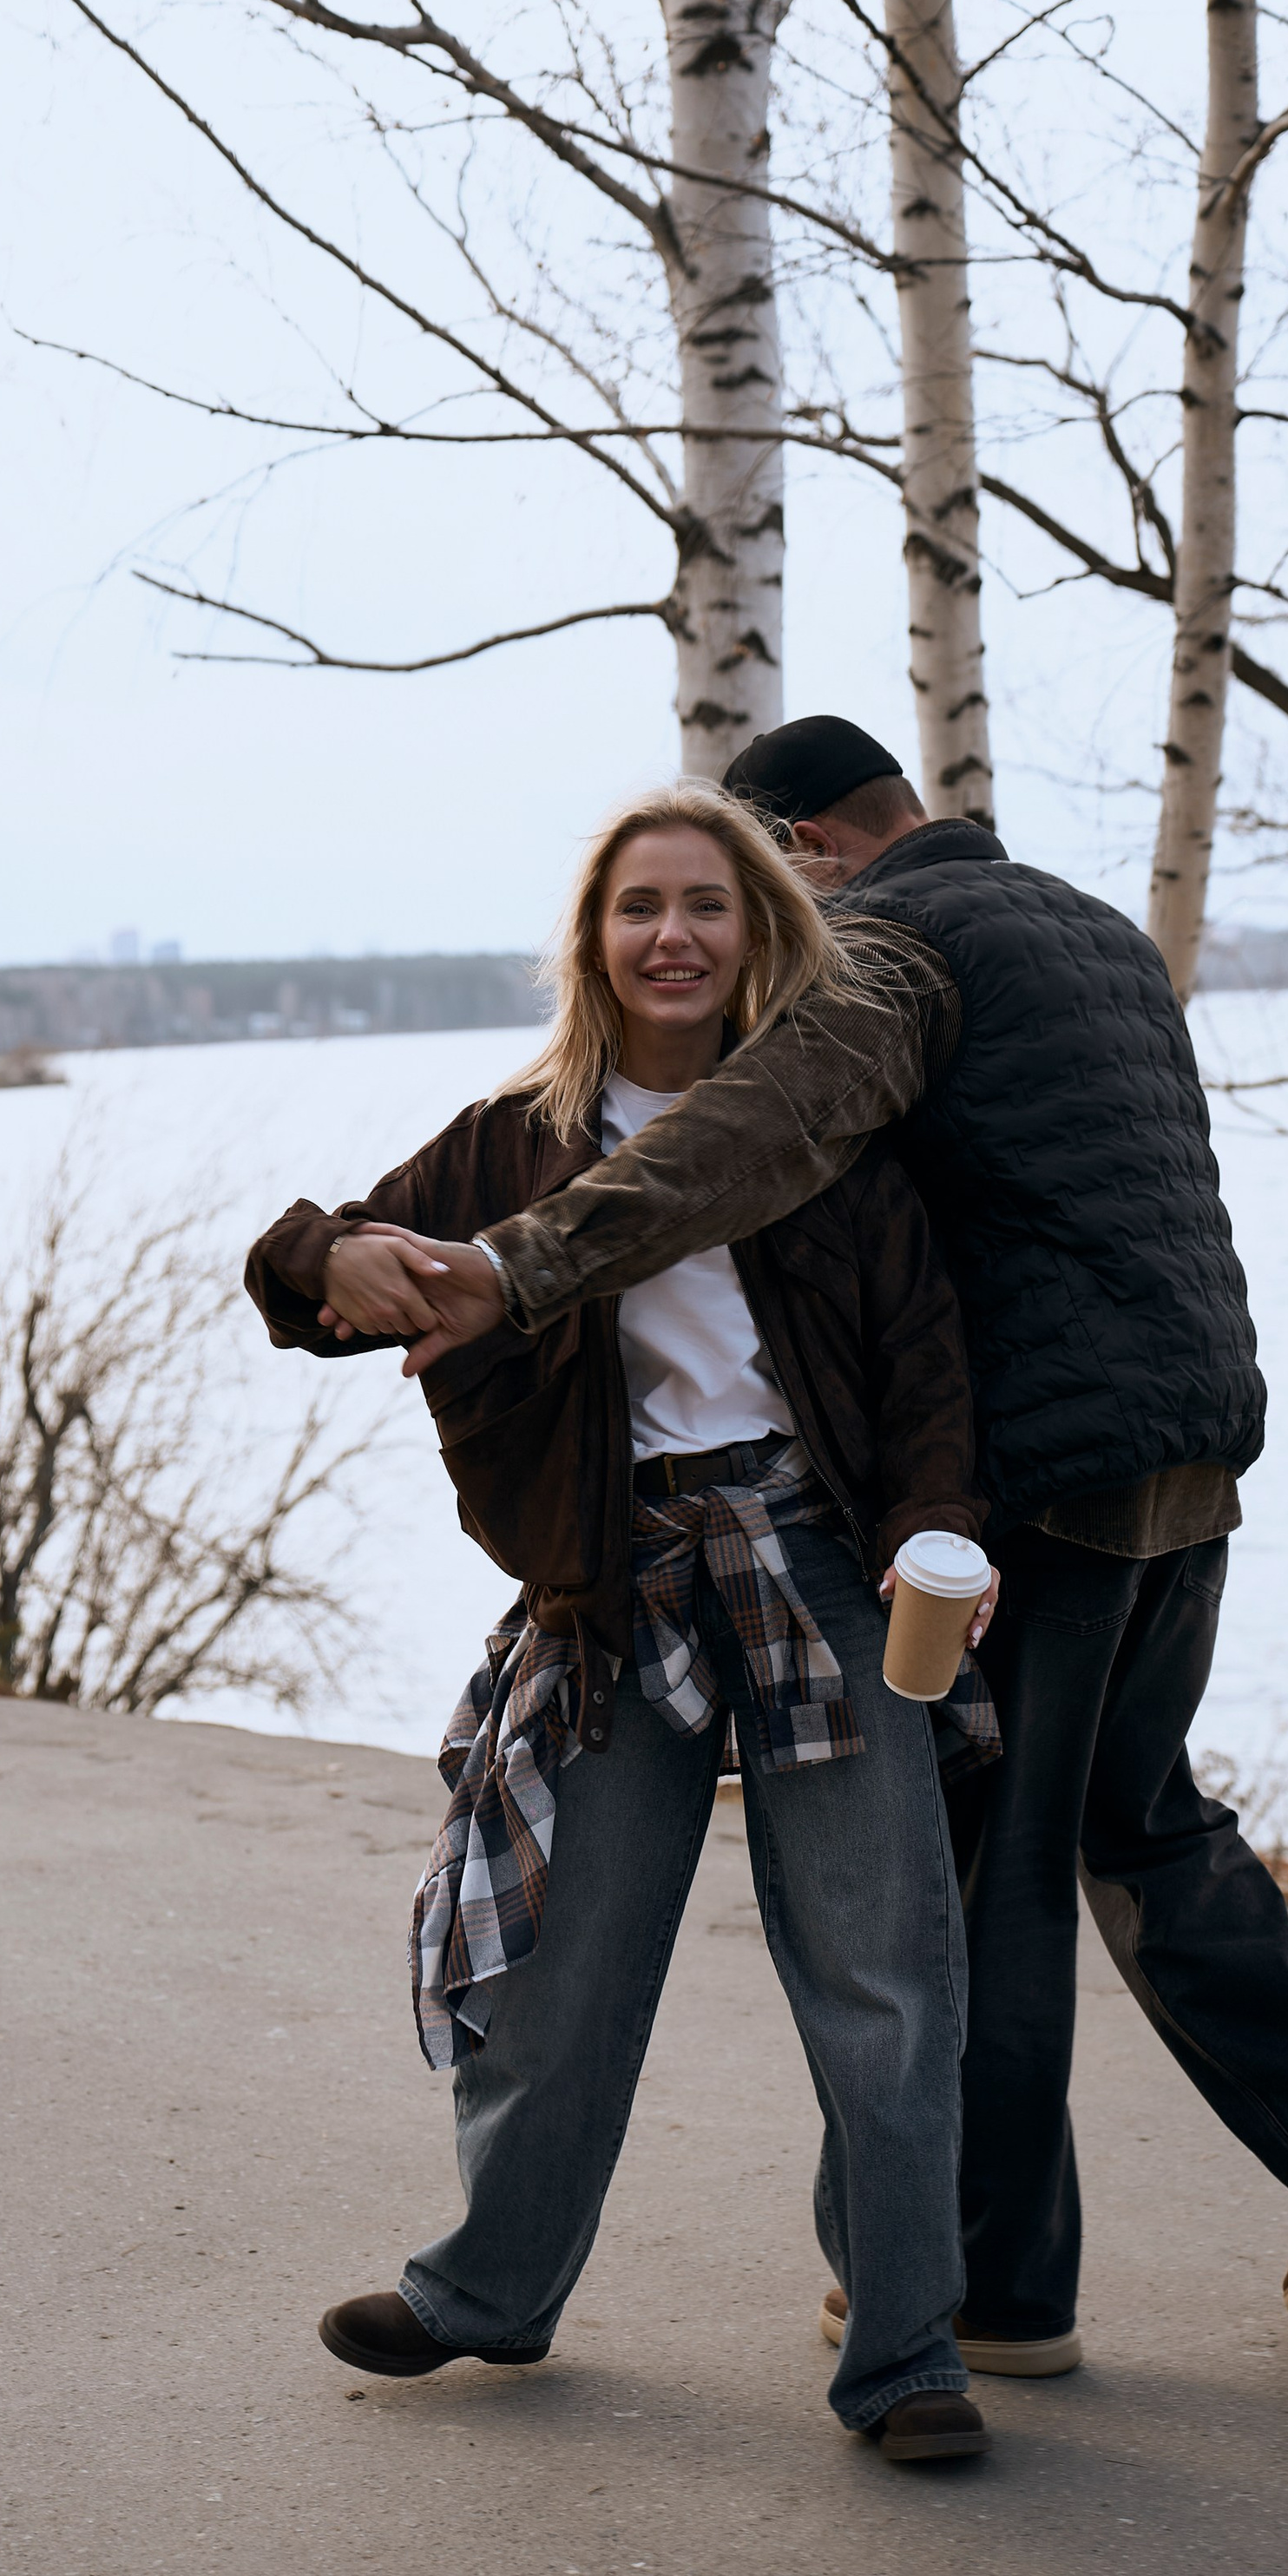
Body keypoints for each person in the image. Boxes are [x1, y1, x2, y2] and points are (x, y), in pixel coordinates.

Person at [366, 718, 1288, 2376]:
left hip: (1035, 1480)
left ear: (803, 852)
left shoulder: (890, 950)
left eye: (753, 888)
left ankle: (997, 2289)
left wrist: (526, 1265)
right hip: (1189, 1453)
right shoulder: (1089, 929)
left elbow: (754, 1136)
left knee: (984, 1882)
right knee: (1141, 1820)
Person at [243, 779, 1002, 2464]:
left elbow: (927, 1371)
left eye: (707, 904)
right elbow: (310, 1281)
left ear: (760, 930)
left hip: (818, 1572)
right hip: (610, 1587)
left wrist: (933, 1526)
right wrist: (322, 1256)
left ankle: (906, 2360)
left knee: (884, 1981)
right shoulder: (509, 1142)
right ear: (592, 940)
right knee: (561, 1972)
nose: (673, 935)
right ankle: (486, 2292)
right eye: (639, 906)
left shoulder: (818, 1125)